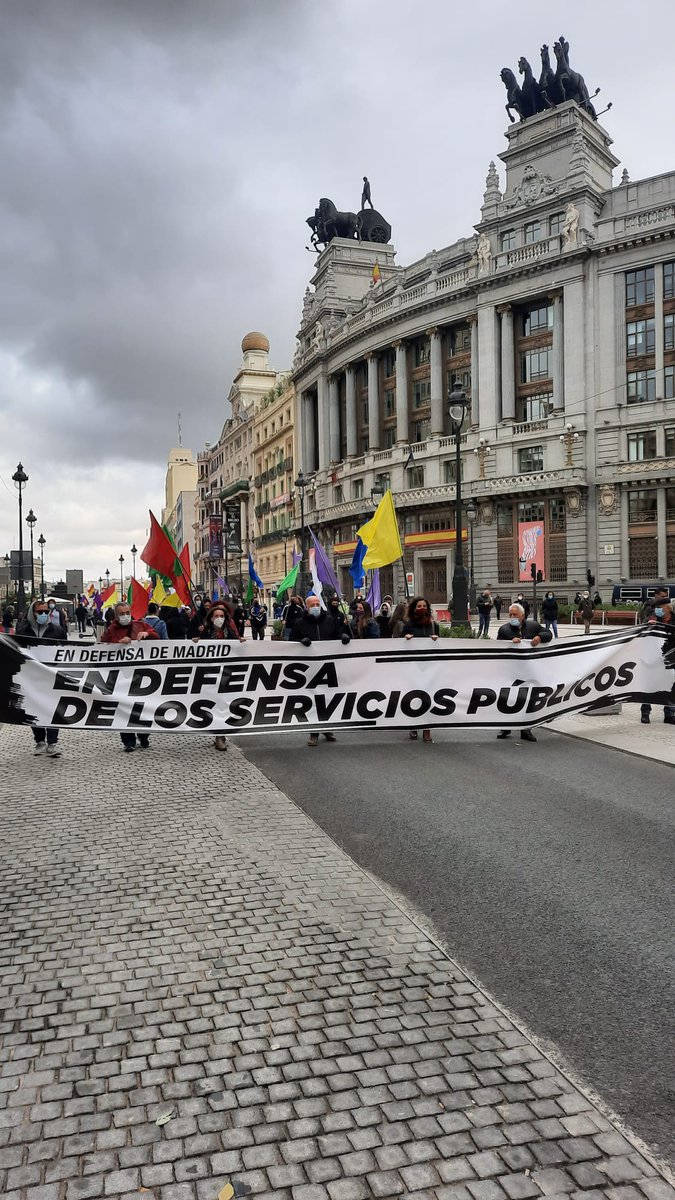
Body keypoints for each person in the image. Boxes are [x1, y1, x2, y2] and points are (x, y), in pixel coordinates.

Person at [291, 594, 351, 747]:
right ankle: (314, 732)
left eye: (318, 604)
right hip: (309, 668)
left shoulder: (329, 620)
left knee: (329, 698)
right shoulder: (300, 623)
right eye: (312, 605)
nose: (316, 607)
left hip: (328, 666)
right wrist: (300, 642)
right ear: (307, 607)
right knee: (314, 700)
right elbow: (291, 641)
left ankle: (326, 728)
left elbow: (337, 634)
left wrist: (343, 636)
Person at [101, 601, 159, 751]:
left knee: (142, 707)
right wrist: (117, 643)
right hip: (121, 677)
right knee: (123, 708)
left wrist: (148, 634)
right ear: (116, 616)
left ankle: (144, 735)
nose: (125, 616)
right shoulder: (110, 630)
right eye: (122, 614)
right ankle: (128, 741)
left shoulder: (140, 625)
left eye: (127, 613)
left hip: (142, 676)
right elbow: (102, 649)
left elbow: (157, 637)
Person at [15, 599, 67, 758]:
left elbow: (66, 652)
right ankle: (39, 740)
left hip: (51, 675)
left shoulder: (57, 630)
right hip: (30, 676)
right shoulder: (22, 630)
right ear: (33, 613)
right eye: (40, 612)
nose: (44, 614)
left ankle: (52, 743)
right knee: (32, 708)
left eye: (46, 612)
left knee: (52, 708)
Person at [496, 603, 552, 742]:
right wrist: (509, 642)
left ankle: (525, 730)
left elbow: (548, 634)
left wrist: (539, 637)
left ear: (522, 615)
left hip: (528, 669)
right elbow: (497, 646)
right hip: (511, 670)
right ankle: (505, 727)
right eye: (510, 615)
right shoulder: (504, 630)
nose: (512, 617)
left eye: (515, 614)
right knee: (508, 698)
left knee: (527, 698)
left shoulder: (533, 626)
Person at [197, 602, 245, 750]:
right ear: (211, 618)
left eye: (222, 616)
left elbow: (238, 651)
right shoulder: (205, 633)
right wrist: (195, 643)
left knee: (224, 704)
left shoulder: (230, 632)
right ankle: (218, 734)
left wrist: (241, 642)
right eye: (216, 616)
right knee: (215, 704)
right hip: (211, 675)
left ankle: (220, 736)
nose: (219, 618)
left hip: (227, 674)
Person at [401, 597, 439, 744]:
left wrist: (437, 640)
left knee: (428, 696)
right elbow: (399, 643)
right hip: (413, 666)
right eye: (419, 606)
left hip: (430, 667)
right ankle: (413, 725)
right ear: (414, 609)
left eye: (424, 605)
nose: (422, 608)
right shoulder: (409, 625)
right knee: (414, 696)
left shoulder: (434, 626)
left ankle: (427, 728)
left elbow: (441, 647)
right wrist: (406, 639)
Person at [640, 600, 675, 725]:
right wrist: (648, 626)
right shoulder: (652, 619)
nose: (657, 610)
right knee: (649, 685)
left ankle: (670, 714)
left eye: (659, 608)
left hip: (670, 659)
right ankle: (645, 713)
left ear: (667, 608)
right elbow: (641, 634)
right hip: (653, 657)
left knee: (671, 685)